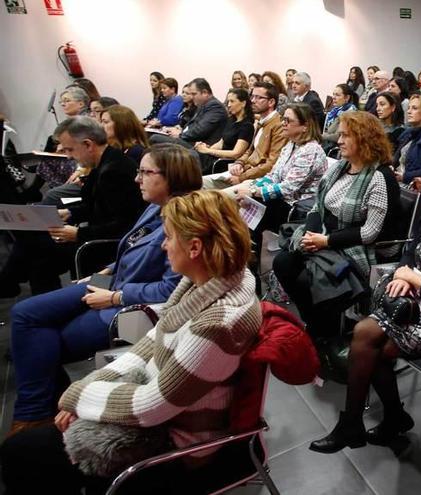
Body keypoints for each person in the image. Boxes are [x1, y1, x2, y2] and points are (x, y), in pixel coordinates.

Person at [0, 189, 261, 494]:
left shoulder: (217, 324)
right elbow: (152, 340)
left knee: (21, 454)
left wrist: (79, 396)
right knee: (28, 449)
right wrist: (96, 384)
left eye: (168, 237)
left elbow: (152, 406)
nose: (163, 246)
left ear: (194, 247)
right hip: (162, 411)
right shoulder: (214, 279)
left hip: (176, 443)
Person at [4, 143, 201, 437]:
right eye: (139, 171)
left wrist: (114, 296)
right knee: (24, 314)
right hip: (112, 282)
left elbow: (172, 288)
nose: (137, 179)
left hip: (124, 301)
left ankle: (32, 419)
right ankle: (37, 414)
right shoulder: (153, 207)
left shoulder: (184, 221)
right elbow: (130, 245)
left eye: (146, 173)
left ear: (173, 177)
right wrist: (106, 271)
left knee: (43, 340)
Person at [309, 161, 421, 454]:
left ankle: (375, 420)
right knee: (365, 333)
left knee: (374, 349)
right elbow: (409, 250)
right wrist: (404, 274)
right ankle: (359, 421)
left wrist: (412, 278)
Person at [272, 111, 392, 340]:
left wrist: (325, 241)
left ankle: (322, 331)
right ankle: (316, 322)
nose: (339, 141)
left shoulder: (379, 177)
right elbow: (318, 206)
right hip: (325, 236)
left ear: (364, 138)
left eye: (346, 136)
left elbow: (370, 232)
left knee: (308, 279)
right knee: (283, 262)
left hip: (353, 247)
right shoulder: (339, 168)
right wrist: (312, 233)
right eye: (340, 135)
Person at [0, 117, 144, 297]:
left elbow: (124, 225)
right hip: (96, 235)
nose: (68, 156)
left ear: (88, 144)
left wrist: (77, 234)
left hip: (102, 246)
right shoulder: (107, 161)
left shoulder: (113, 171)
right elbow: (97, 206)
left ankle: (10, 283)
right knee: (34, 247)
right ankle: (15, 286)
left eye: (70, 149)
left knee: (33, 247)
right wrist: (69, 213)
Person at [227, 103, 328, 258]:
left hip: (297, 206)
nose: (283, 124)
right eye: (283, 119)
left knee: (250, 204)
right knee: (245, 200)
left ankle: (244, 252)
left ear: (305, 126)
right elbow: (274, 175)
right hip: (282, 199)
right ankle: (246, 250)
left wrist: (253, 191)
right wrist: (254, 186)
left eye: (288, 121)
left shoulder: (311, 150)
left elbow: (288, 188)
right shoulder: (291, 144)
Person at [203, 82, 285, 186]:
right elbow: (249, 151)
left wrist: (242, 177)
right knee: (201, 182)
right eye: (252, 96)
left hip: (258, 178)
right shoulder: (261, 122)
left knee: (204, 186)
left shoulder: (278, 125)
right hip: (245, 171)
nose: (253, 101)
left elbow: (271, 164)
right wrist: (239, 163)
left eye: (259, 98)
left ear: (271, 102)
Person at [150, 78, 228, 149]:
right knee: (151, 135)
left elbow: (200, 130)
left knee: (154, 138)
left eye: (194, 94)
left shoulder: (215, 106)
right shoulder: (203, 105)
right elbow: (192, 126)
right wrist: (180, 130)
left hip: (201, 147)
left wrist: (180, 134)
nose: (192, 97)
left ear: (204, 92)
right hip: (191, 141)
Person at [192, 88, 255, 173]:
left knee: (190, 161)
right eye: (228, 101)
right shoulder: (231, 120)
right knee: (189, 154)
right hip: (216, 157)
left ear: (243, 103)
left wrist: (208, 151)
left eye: (232, 101)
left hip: (224, 162)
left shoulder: (247, 126)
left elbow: (236, 153)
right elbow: (221, 142)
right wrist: (205, 147)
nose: (228, 105)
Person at [322, 84, 358, 150]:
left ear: (347, 98)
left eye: (337, 95)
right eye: (333, 94)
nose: (334, 97)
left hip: (338, 148)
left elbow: (339, 136)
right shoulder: (334, 110)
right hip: (327, 144)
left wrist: (322, 136)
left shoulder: (350, 112)